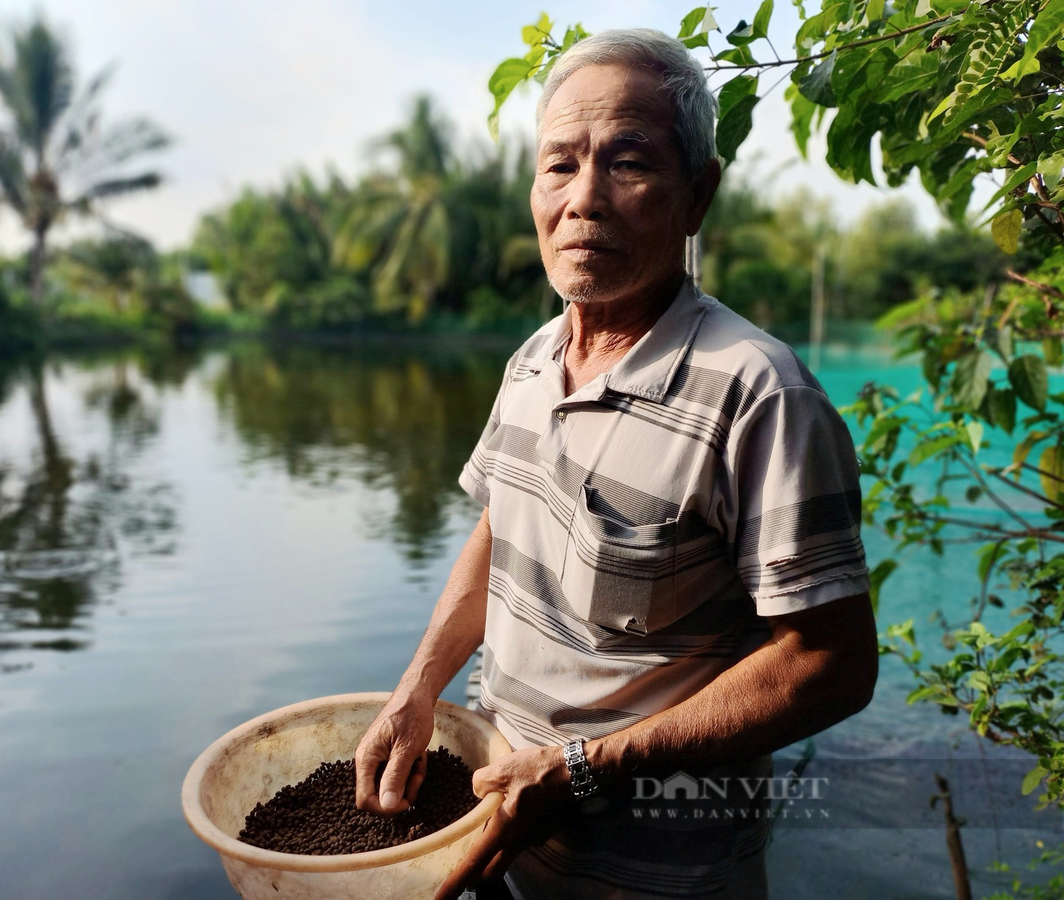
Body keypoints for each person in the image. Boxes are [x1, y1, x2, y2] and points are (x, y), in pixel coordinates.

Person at [354, 28, 878, 900]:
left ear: (697, 194)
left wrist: (581, 771)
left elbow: (830, 663)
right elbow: (504, 522)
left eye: (628, 162)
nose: (584, 199)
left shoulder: (759, 395)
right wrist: (417, 687)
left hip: (655, 880)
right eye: (559, 165)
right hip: (491, 841)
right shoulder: (532, 359)